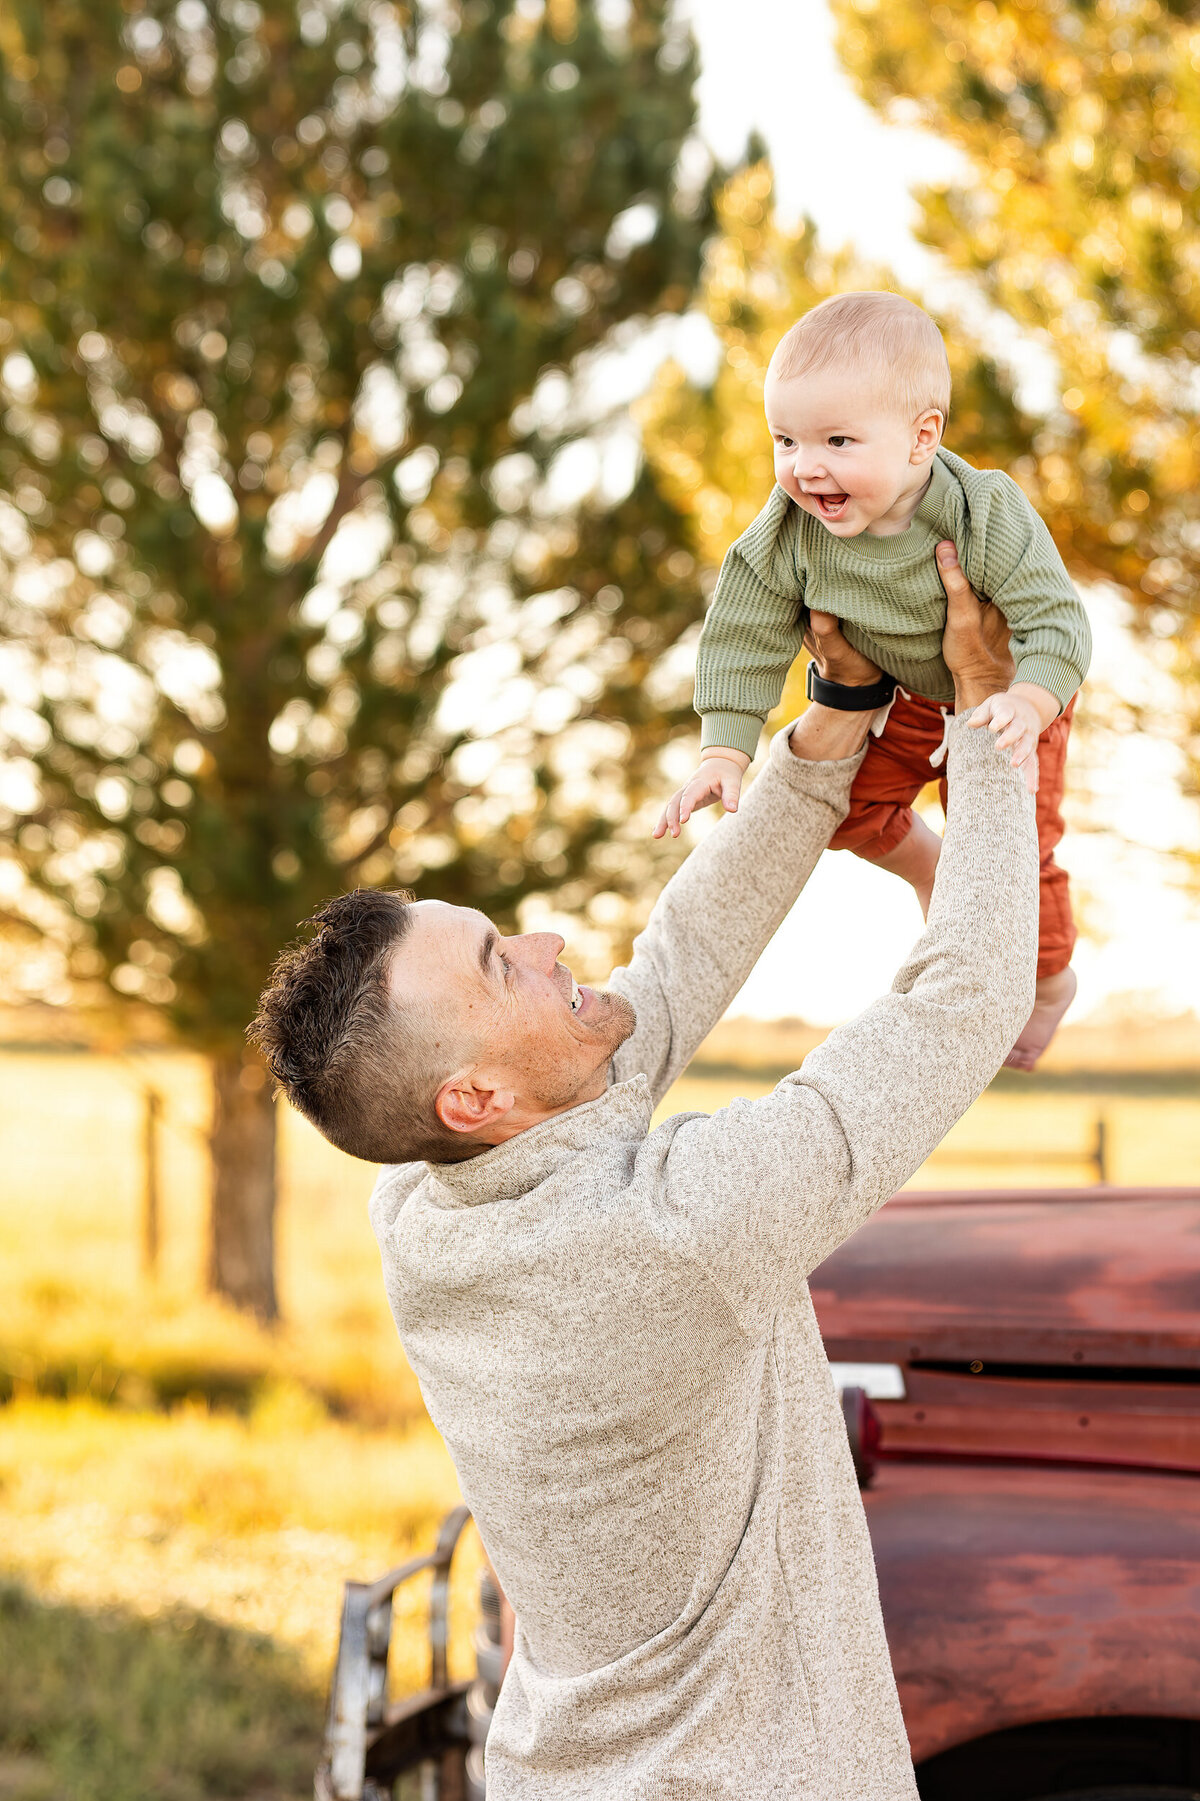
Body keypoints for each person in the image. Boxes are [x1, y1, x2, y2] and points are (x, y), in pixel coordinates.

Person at [250, 560, 1037, 1800]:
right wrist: (993, 713)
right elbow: (967, 998)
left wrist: (831, 713)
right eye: (505, 963)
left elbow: (668, 969)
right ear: (475, 1100)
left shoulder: (423, 1201)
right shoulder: (664, 1239)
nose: (552, 942)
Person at [660, 290, 1091, 1070]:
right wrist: (723, 749)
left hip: (1013, 696)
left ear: (922, 438)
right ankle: (928, 864)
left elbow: (1056, 617)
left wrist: (1030, 697)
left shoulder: (980, 511)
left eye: (836, 440)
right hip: (911, 697)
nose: (804, 465)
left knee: (1014, 852)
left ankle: (1051, 975)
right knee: (849, 809)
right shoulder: (791, 530)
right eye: (785, 439)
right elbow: (744, 628)